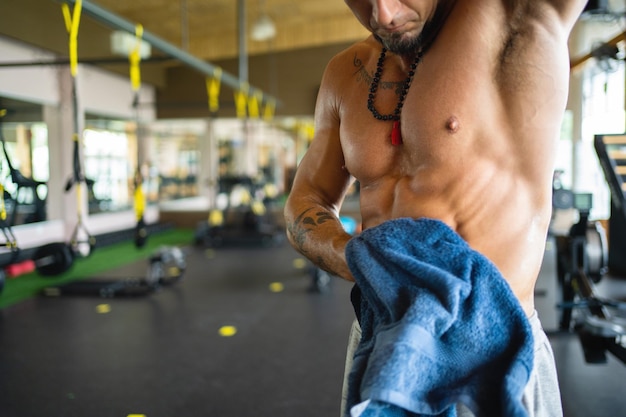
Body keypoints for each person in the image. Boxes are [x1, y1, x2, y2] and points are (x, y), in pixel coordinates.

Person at [284, 1, 587, 416]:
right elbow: (307, 200)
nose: (384, 15)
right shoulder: (345, 73)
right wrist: (369, 261)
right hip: (383, 340)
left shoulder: (517, 15)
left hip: (492, 347)